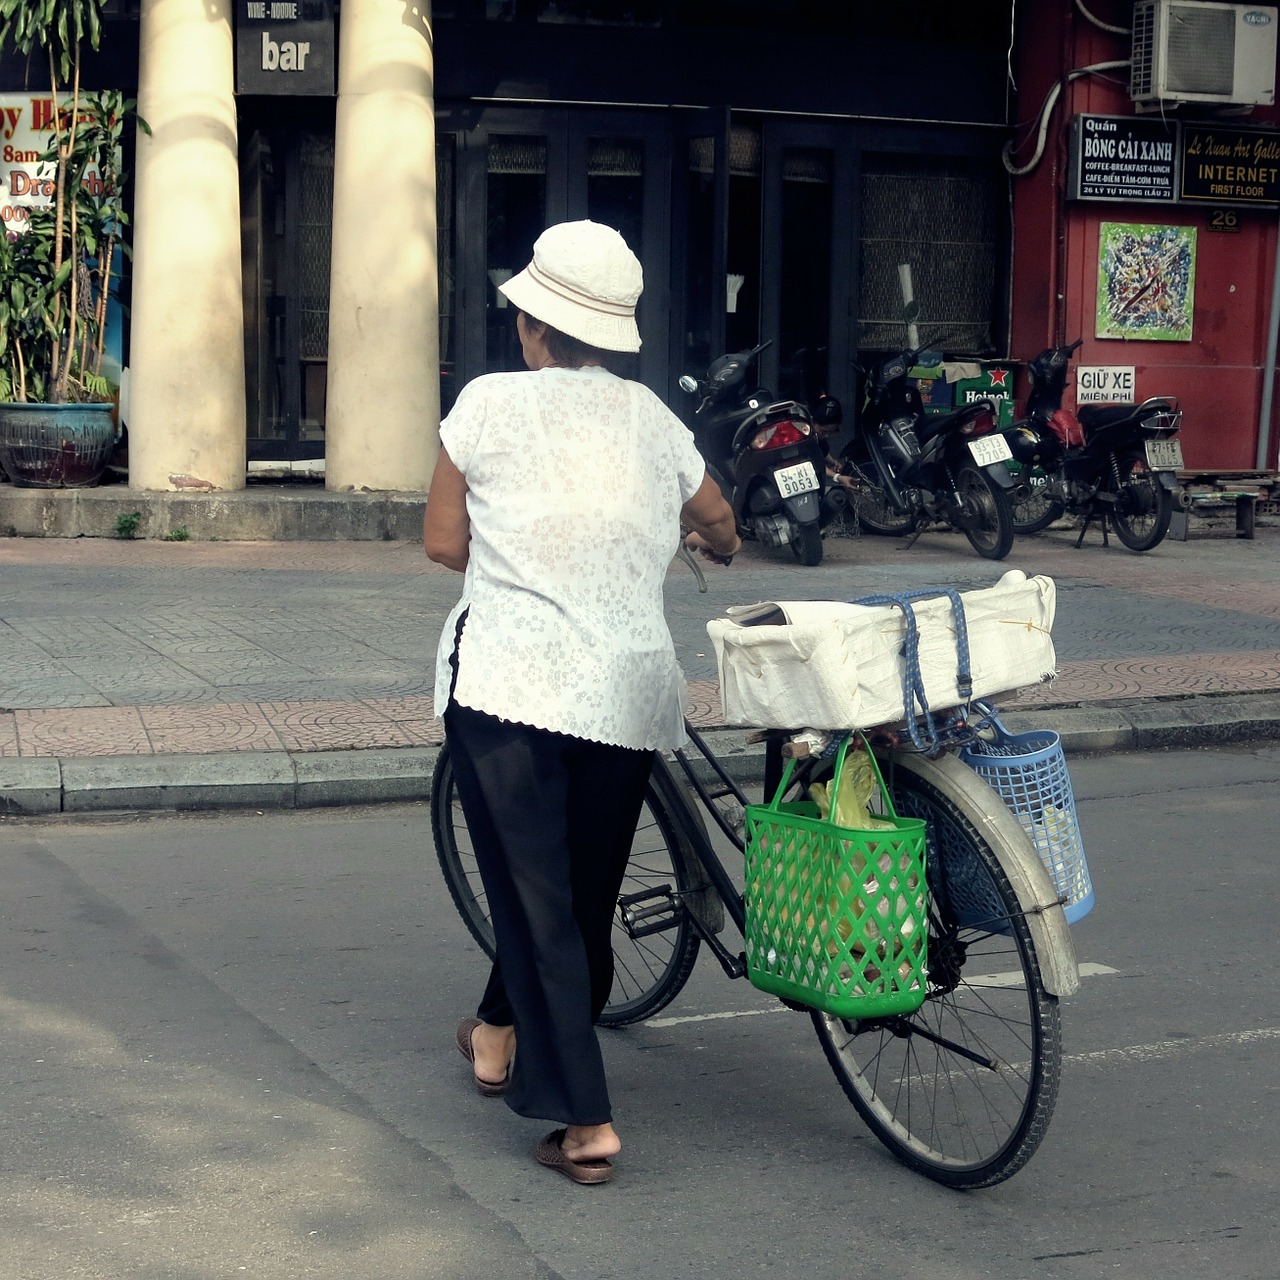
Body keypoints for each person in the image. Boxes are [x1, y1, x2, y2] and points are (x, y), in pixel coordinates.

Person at [423, 220, 740, 1187]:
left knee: (535, 900)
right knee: (577, 895)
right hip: (630, 688)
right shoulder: (653, 419)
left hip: (511, 683)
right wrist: (700, 543)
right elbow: (720, 523)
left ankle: (585, 1118)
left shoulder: (485, 402)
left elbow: (442, 542)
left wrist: (530, 557)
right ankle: (493, 1030)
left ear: (533, 328)